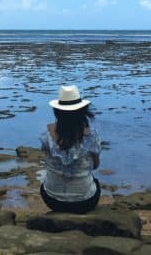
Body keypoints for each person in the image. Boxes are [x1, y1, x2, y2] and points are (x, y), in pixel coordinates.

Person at [39, 85, 101, 213]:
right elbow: (95, 166)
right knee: (96, 182)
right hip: (85, 202)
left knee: (45, 182)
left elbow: (46, 160)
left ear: (57, 112)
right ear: (83, 112)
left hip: (52, 200)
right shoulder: (92, 135)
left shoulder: (46, 135)